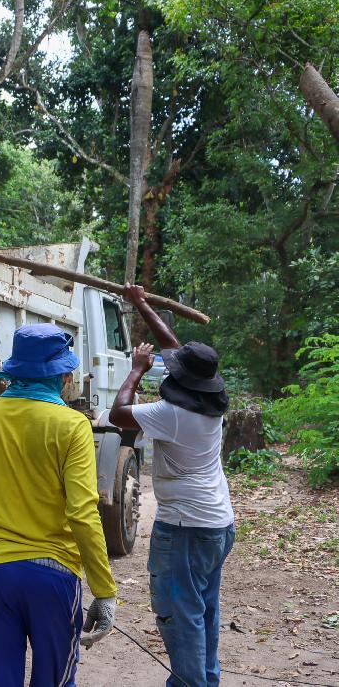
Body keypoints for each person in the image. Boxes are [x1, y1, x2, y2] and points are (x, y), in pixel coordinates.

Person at [0, 323, 117, 687]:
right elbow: (83, 514)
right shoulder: (73, 426)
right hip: (53, 577)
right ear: (63, 375)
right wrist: (104, 591)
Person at [109, 284, 234, 687]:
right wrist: (140, 302)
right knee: (202, 613)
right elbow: (174, 347)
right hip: (217, 524)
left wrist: (136, 368)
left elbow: (117, 414)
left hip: (185, 530)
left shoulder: (172, 413)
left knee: (179, 618)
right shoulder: (210, 400)